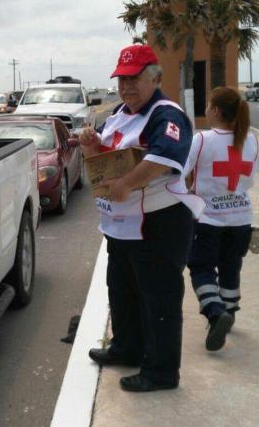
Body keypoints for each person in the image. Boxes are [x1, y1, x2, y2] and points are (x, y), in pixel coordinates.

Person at [79, 44, 204, 393]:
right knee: (122, 291)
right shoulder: (119, 113)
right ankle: (127, 347)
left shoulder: (167, 115)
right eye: (122, 80)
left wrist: (125, 184)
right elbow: (102, 155)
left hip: (158, 225)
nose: (126, 87)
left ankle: (161, 371)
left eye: (134, 79)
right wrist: (89, 141)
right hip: (122, 227)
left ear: (155, 78)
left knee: (158, 299)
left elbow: (165, 158)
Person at [183, 86, 259, 351]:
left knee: (201, 267)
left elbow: (182, 172)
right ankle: (229, 310)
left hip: (209, 221)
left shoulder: (203, 139)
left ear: (215, 110)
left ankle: (215, 314)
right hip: (242, 219)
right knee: (231, 265)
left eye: (207, 105)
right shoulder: (251, 140)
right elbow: (248, 180)